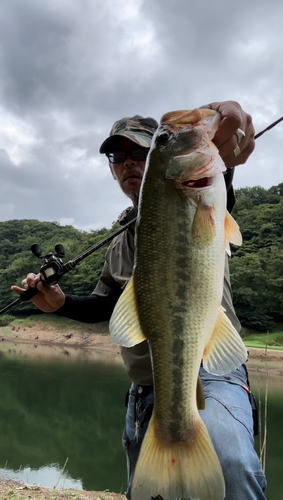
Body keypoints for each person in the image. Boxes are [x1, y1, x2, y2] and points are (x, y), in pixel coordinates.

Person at [12, 101, 267, 500]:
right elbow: (107, 307)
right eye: (118, 155)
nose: (128, 161)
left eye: (142, 151)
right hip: (150, 386)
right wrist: (60, 303)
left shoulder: (200, 196)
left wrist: (227, 121)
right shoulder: (118, 242)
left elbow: (223, 171)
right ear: (112, 167)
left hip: (214, 371)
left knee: (232, 468)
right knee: (152, 492)